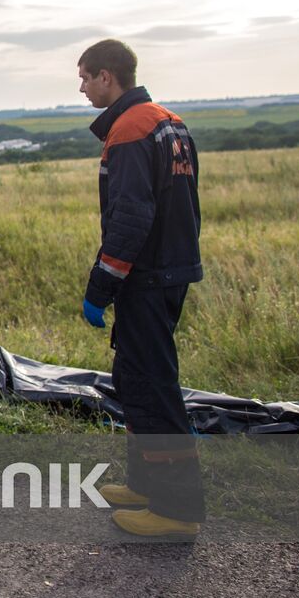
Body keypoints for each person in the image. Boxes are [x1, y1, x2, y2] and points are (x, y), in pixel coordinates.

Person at [77, 39, 205, 538]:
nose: (82, 86)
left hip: (147, 276)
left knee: (153, 388)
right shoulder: (167, 120)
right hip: (167, 268)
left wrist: (100, 287)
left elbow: (130, 218)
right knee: (133, 380)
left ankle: (175, 511)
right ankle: (146, 485)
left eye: (86, 76)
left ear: (108, 76)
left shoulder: (129, 129)